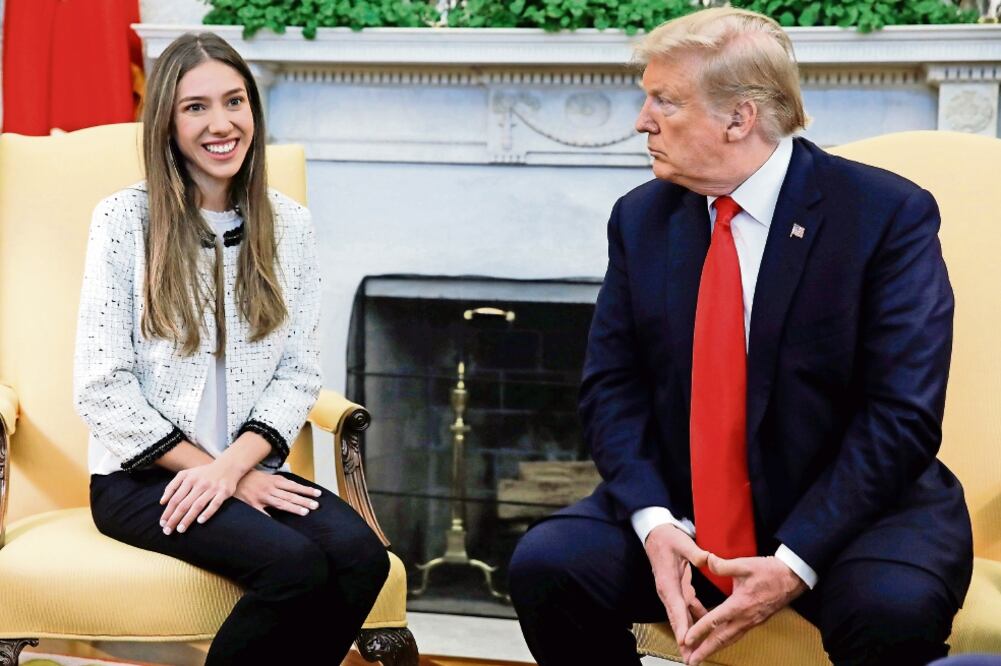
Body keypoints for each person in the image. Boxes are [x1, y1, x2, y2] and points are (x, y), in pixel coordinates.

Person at [508, 8, 973, 666]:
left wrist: (794, 560)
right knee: (548, 566)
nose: (641, 121)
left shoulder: (884, 214)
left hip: (852, 515)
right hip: (688, 513)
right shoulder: (640, 219)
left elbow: (901, 415)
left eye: (664, 101)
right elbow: (611, 389)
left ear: (739, 118)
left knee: (890, 612)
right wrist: (655, 523)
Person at [74, 32, 389, 665]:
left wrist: (236, 470)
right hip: (141, 480)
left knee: (361, 557)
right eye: (196, 107)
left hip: (249, 466)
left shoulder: (289, 223)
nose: (222, 124)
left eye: (234, 101)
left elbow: (298, 371)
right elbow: (102, 387)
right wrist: (216, 474)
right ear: (167, 122)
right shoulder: (123, 220)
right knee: (293, 565)